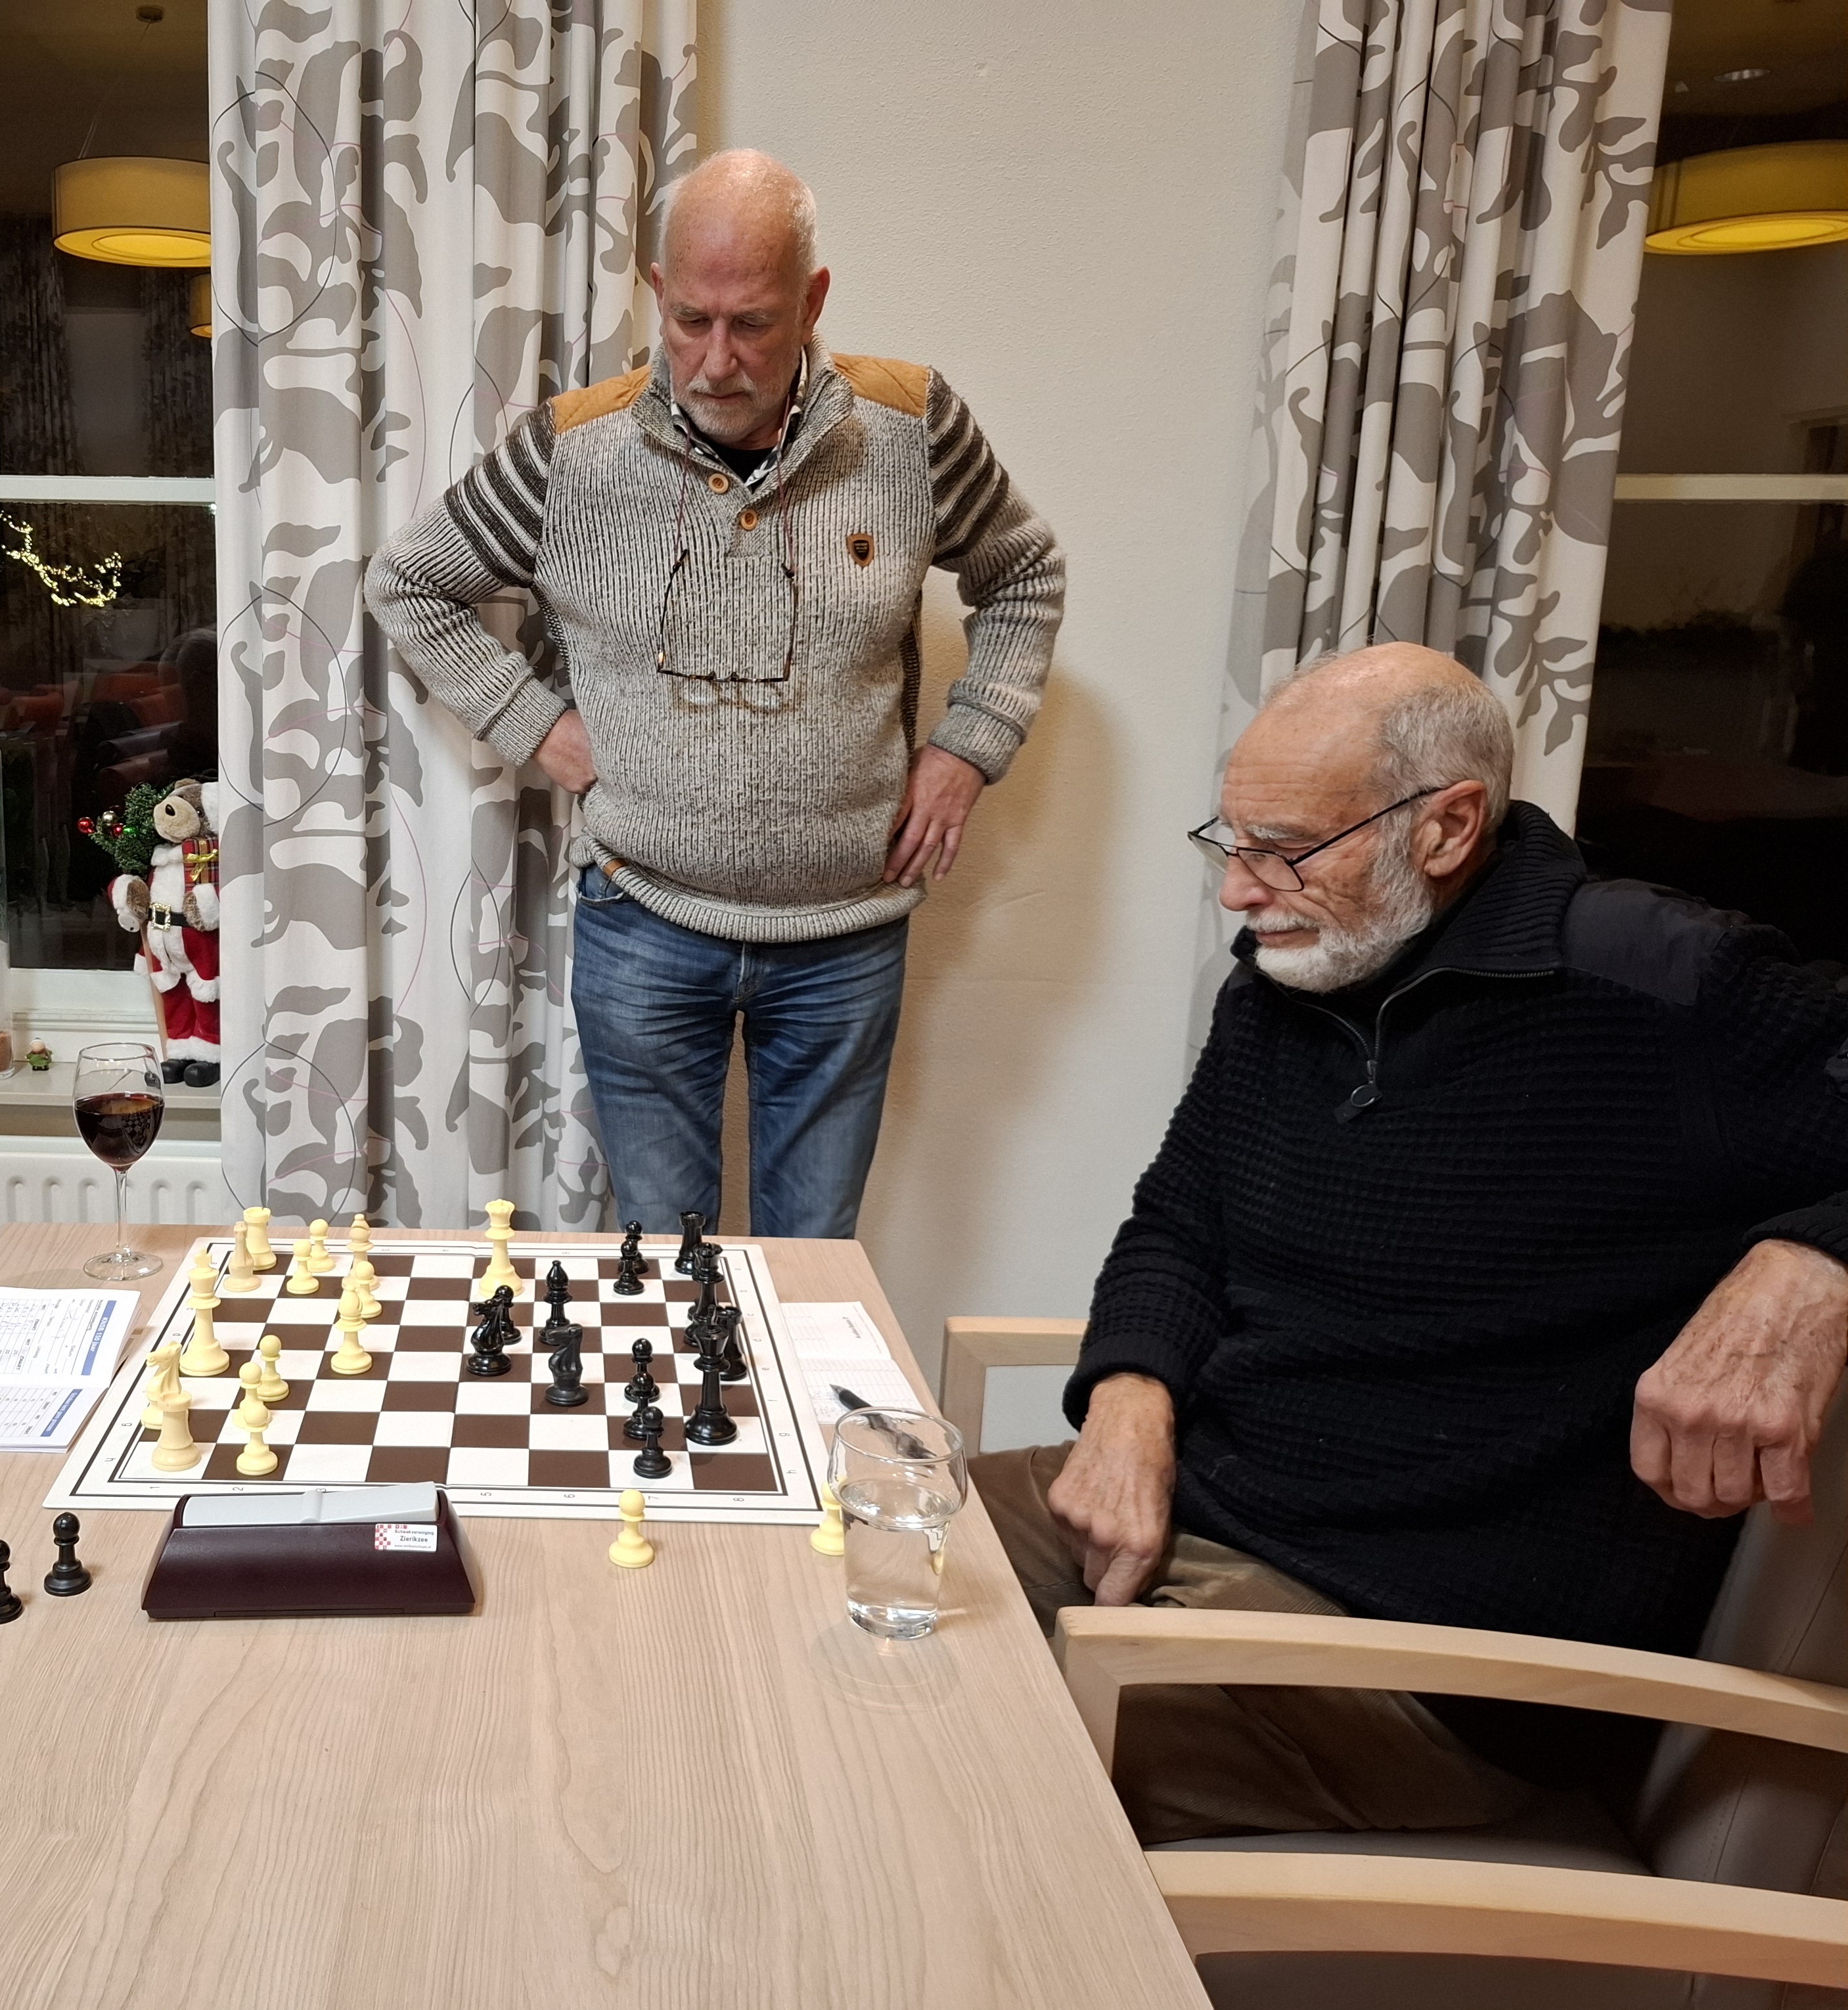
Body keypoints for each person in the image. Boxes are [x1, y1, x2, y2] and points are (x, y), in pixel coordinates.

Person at [976, 643, 1848, 1843]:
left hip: (1418, 1666)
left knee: (952, 1750)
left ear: (1446, 828)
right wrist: (1129, 1406)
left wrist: (1811, 1263)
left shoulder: (1660, 980)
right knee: (831, 1556)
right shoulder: (1288, 975)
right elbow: (1180, 1221)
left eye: (1286, 849)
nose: (1239, 893)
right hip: (1198, 1510)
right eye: (1231, 843)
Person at [369, 150, 1064, 1238]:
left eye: (754, 324)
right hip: (643, 922)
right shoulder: (572, 449)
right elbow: (410, 582)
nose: (716, 360)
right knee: (661, 1259)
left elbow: (1023, 572)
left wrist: (969, 747)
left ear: (813, 302)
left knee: (812, 1261)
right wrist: (537, 724)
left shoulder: (909, 425)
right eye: (691, 320)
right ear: (659, 290)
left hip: (846, 936)